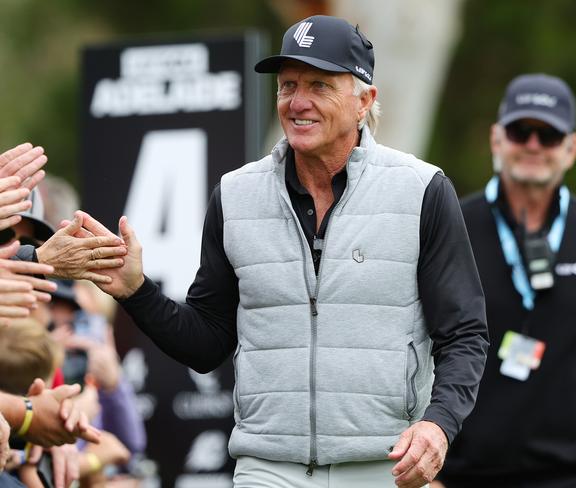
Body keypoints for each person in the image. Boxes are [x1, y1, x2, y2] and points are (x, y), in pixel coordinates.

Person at [75, 15, 488, 487]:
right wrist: (135, 290)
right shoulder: (234, 195)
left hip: (383, 464)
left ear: (364, 101)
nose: (298, 102)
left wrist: (438, 424)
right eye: (287, 85)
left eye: (319, 84)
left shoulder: (422, 190)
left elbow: (464, 334)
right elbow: (207, 342)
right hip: (267, 465)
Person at [436, 74, 576, 487]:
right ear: (497, 140)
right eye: (521, 131)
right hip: (465, 477)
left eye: (549, 135)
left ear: (571, 148)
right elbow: (407, 352)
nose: (533, 145)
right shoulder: (450, 226)